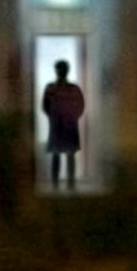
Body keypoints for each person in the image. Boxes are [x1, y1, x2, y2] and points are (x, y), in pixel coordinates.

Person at [41, 60, 86, 190]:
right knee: (58, 154)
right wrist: (56, 117)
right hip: (60, 125)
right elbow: (45, 106)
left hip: (66, 125)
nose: (61, 72)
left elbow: (80, 106)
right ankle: (59, 184)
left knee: (67, 154)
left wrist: (70, 117)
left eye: (63, 69)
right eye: (60, 69)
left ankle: (68, 184)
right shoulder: (52, 88)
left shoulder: (72, 88)